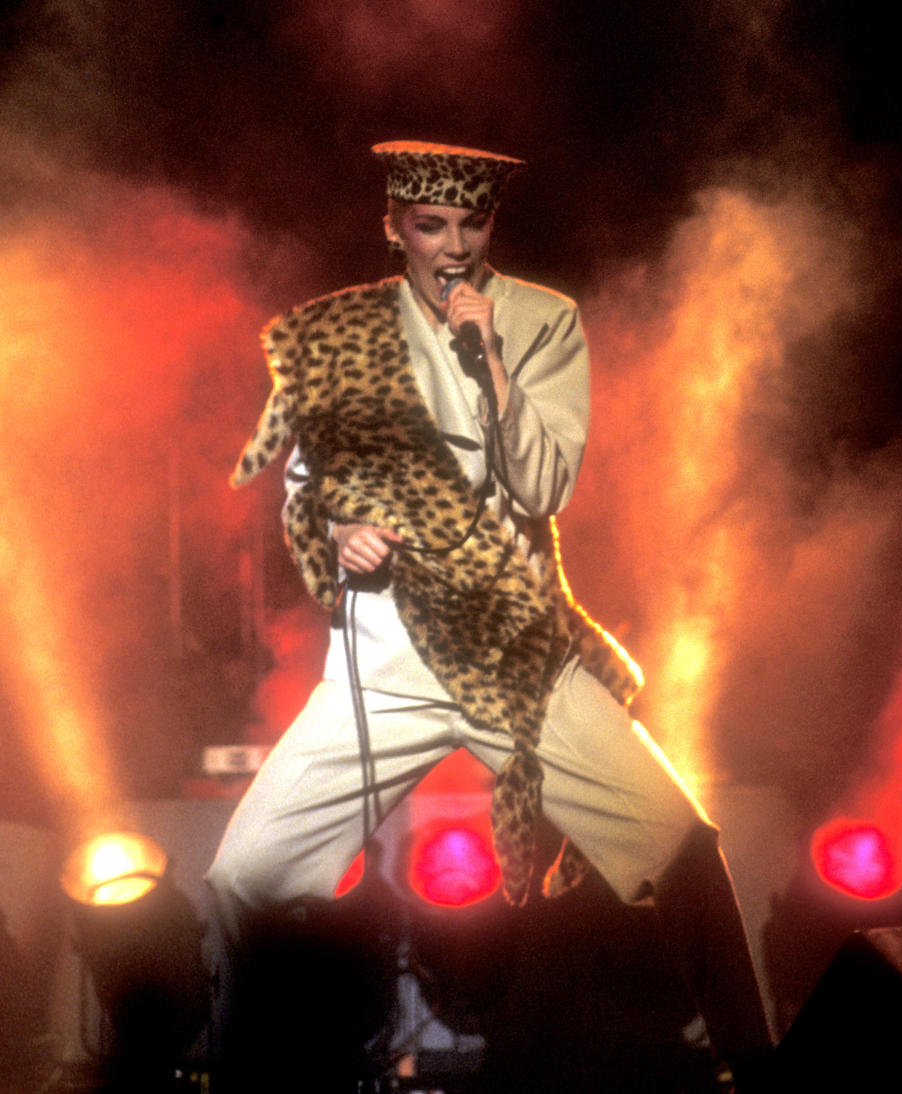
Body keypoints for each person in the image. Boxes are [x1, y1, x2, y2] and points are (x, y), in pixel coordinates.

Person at [207, 141, 772, 1089]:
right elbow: (303, 489)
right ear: (394, 228)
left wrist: (496, 364)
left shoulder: (542, 320)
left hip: (514, 651)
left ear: (490, 229)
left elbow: (543, 482)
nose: (454, 247)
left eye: (472, 225)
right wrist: (342, 524)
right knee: (240, 879)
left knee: (683, 843)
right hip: (387, 661)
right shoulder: (341, 334)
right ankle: (245, 1075)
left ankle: (756, 1068)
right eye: (432, 226)